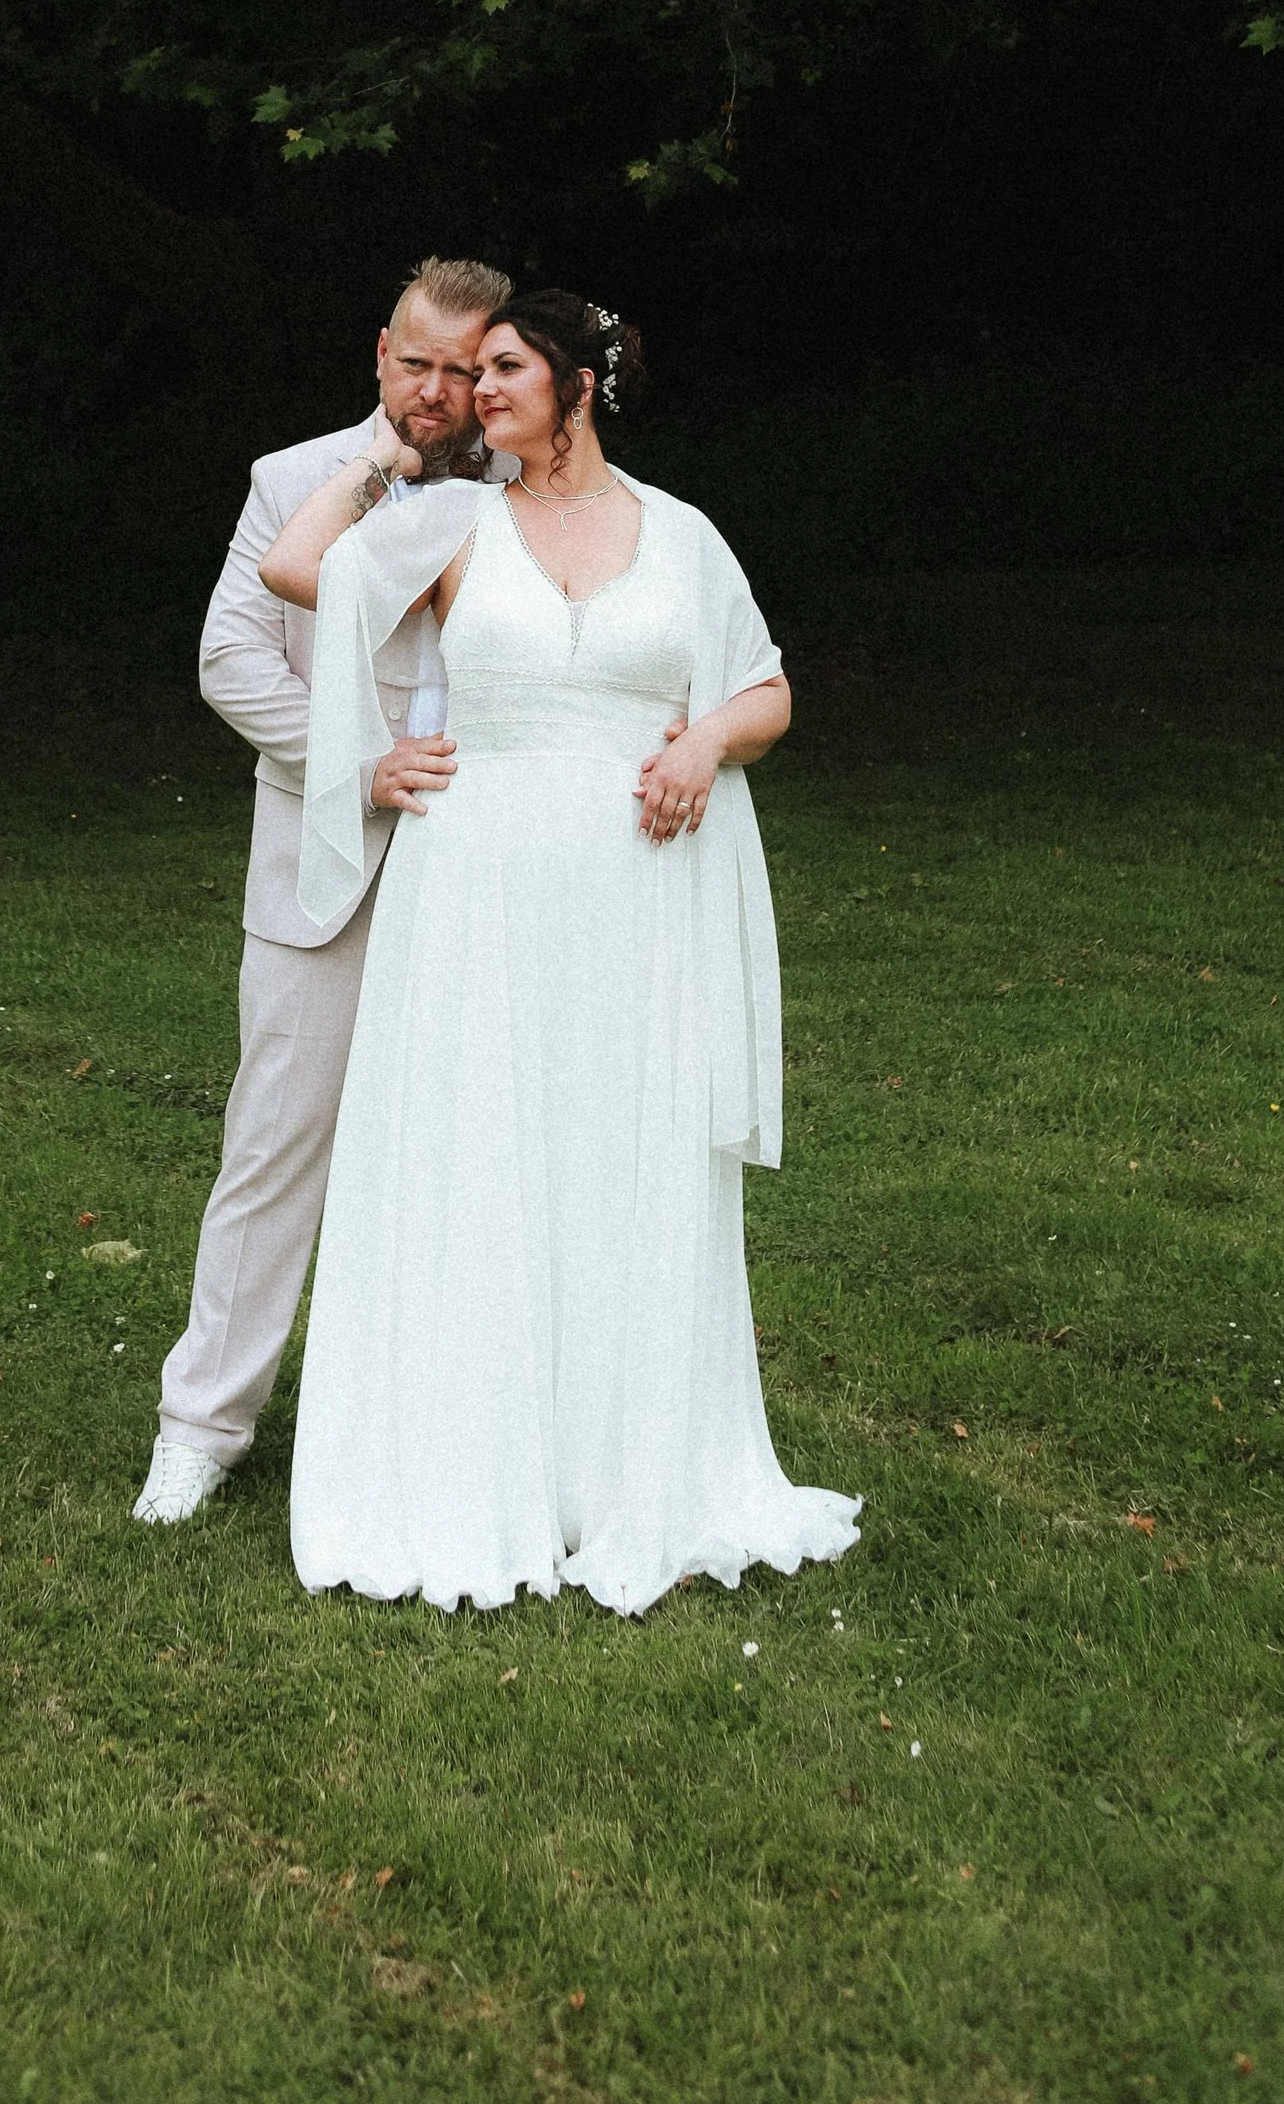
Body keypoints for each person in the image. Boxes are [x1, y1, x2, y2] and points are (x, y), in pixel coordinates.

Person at [258, 290, 860, 1614]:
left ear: (580, 381)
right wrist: (385, 455)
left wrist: (702, 739)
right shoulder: (454, 519)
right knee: (486, 1151)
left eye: (505, 367)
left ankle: (616, 1466)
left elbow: (765, 685)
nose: (477, 389)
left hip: (635, 898)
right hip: (476, 891)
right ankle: (474, 1461)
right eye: (470, 373)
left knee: (614, 1156)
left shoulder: (681, 534)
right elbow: (298, 567)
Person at [131, 253, 513, 1526]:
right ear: (379, 353)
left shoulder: (527, 494)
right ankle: (202, 1427)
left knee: (467, 1158)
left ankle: (425, 1426)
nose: (439, 391)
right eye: (419, 362)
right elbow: (227, 659)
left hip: (484, 880)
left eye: (466, 371)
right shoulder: (293, 482)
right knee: (274, 1152)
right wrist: (360, 764)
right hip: (320, 878)